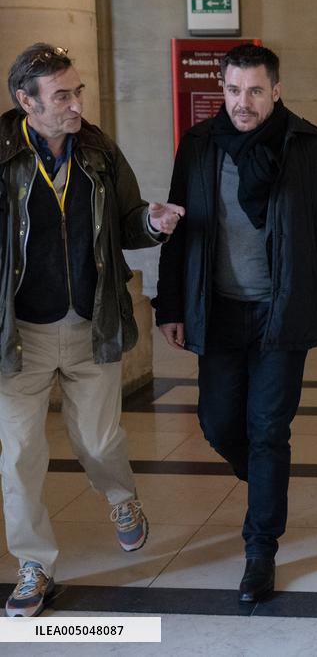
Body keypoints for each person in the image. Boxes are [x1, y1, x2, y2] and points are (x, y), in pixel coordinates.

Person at [154, 44, 317, 602]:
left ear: (277, 90)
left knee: (268, 430)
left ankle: (259, 550)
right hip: (218, 309)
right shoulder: (199, 145)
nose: (242, 103)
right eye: (233, 90)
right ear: (222, 89)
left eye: (255, 91)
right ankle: (266, 485)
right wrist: (169, 305)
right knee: (219, 425)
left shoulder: (312, 147)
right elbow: (179, 227)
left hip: (282, 310)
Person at [1, 43, 182, 617]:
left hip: (90, 323)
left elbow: (129, 220)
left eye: (77, 92)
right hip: (19, 334)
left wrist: (152, 224)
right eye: (61, 96)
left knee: (98, 441)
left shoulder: (98, 151)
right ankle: (34, 564)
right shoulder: (4, 156)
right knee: (19, 455)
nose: (76, 104)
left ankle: (122, 499)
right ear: (26, 102)